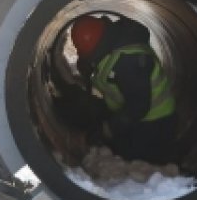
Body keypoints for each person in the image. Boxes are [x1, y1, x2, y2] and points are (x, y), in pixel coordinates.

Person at [69, 14, 177, 166]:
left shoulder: (128, 61)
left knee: (127, 160)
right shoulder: (113, 44)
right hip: (135, 115)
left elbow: (139, 106)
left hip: (155, 123)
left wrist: (109, 128)